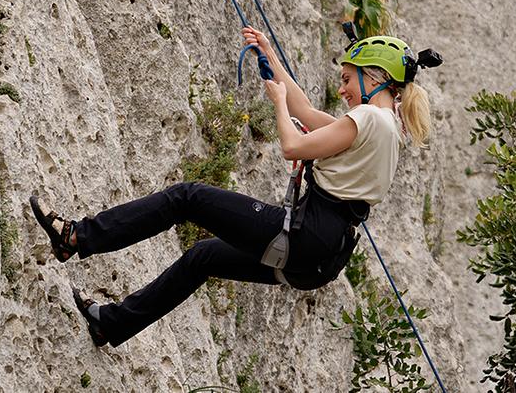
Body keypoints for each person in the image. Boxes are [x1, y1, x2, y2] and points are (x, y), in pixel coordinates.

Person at [30, 26, 433, 347]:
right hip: (321, 255)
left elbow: (292, 144)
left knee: (187, 197)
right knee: (204, 256)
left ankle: (77, 237)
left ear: (374, 77)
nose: (343, 90)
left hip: (307, 233)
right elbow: (308, 111)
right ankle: (111, 324)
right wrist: (269, 56)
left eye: (347, 79)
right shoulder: (387, 129)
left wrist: (277, 103)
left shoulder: (367, 118)